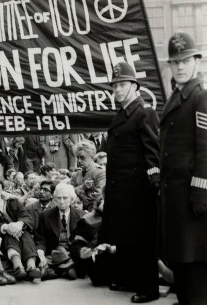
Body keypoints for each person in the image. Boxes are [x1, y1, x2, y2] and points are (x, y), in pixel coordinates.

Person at [101, 62, 160, 303]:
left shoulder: (144, 112)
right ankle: (127, 279)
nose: (117, 89)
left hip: (138, 188)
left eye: (122, 84)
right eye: (114, 86)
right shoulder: (122, 114)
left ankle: (149, 288)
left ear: (135, 86)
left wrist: (154, 182)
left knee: (143, 240)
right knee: (124, 237)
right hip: (121, 188)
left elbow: (153, 150)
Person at [159, 31, 207, 305]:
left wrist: (201, 192)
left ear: (196, 62)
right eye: (175, 62)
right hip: (176, 198)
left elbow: (206, 148)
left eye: (185, 61)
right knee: (182, 267)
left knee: (196, 269)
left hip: (193, 200)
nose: (179, 67)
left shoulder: (200, 97)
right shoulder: (177, 97)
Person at [0, 180, 41, 281]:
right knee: (10, 234)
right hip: (3, 241)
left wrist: (19, 224)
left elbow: (26, 217)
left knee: (25, 233)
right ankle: (18, 266)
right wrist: (6, 227)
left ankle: (31, 266)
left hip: (22, 235)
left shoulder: (13, 203)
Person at [35, 183, 85, 279]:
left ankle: (54, 271)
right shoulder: (45, 216)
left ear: (72, 199)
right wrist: (41, 255)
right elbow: (40, 239)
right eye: (58, 198)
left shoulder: (81, 216)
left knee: (79, 258)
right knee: (51, 256)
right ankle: (68, 268)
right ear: (54, 199)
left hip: (72, 252)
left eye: (65, 198)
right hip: (53, 252)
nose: (61, 201)